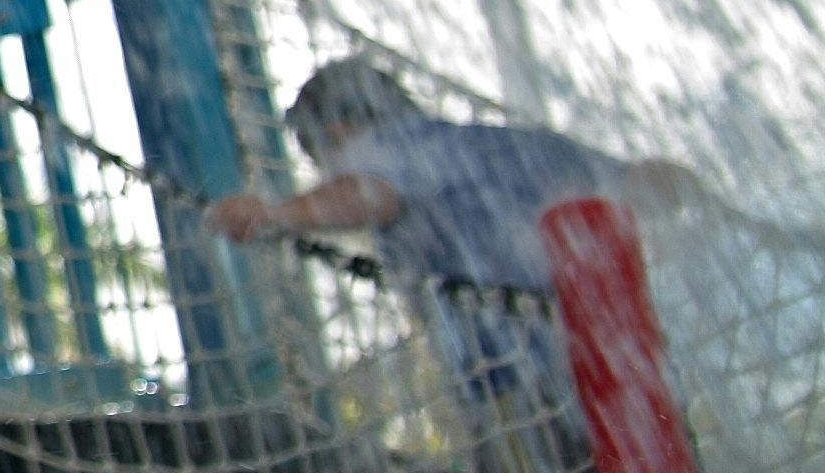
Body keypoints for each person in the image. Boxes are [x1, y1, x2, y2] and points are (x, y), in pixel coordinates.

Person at [208, 53, 703, 411]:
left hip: (521, 374)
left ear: (340, 126)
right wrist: (727, 211)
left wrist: (274, 214)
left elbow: (372, 194)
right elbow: (649, 183)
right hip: (625, 360)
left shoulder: (384, 150)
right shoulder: (504, 146)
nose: (319, 161)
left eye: (313, 146)